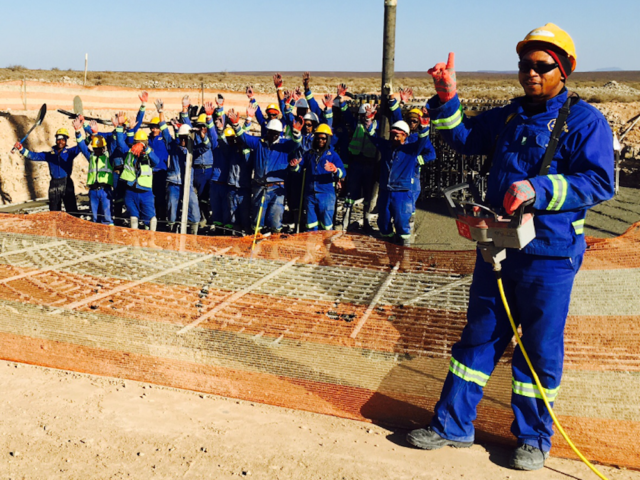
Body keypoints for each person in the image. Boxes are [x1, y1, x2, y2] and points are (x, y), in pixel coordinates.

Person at [406, 24, 615, 471]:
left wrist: (538, 188)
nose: (531, 73)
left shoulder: (585, 122)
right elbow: (461, 138)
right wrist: (447, 98)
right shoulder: (508, 117)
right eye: (525, 65)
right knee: (478, 338)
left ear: (564, 71)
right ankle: (452, 426)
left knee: (539, 350)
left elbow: (600, 181)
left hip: (550, 257)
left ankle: (534, 438)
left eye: (542, 66)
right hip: (498, 250)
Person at [362, 107, 431, 245]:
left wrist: (424, 126)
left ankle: (404, 252)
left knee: (401, 222)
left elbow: (424, 142)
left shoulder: (411, 150)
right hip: (386, 191)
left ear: (405, 136)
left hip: (402, 193)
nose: (394, 137)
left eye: (397, 135)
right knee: (383, 221)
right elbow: (372, 137)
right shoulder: (386, 146)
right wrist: (368, 121)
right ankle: (388, 245)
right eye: (392, 134)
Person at [227, 107, 303, 234]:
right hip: (259, 187)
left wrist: (296, 132)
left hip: (277, 188)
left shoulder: (284, 145)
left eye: (275, 133)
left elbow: (297, 143)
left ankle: (273, 246)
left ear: (279, 133)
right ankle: (257, 244)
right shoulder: (259, 143)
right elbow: (244, 138)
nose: (272, 135)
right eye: (270, 132)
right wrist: (235, 124)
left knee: (275, 219)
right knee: (258, 219)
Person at [14, 126, 82, 215]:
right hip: (54, 185)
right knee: (54, 211)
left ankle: (75, 227)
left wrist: (85, 133)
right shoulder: (49, 155)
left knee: (72, 209)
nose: (60, 141)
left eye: (63, 139)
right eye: (58, 139)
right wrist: (21, 149)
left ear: (66, 140)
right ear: (55, 140)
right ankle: (55, 228)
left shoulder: (70, 152)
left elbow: (82, 146)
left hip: (67, 183)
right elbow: (34, 156)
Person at [289, 124, 345, 231]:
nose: (320, 141)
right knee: (311, 225)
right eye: (318, 138)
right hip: (310, 195)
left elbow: (343, 173)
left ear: (328, 139)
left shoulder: (333, 155)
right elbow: (300, 169)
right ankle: (312, 246)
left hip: (326, 196)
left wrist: (335, 170)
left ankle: (326, 246)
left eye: (323, 138)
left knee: (326, 226)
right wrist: (295, 166)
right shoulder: (310, 154)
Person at [73, 117, 120, 225]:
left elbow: (113, 142)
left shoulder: (109, 156)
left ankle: (109, 238)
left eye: (99, 148)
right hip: (93, 191)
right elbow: (82, 146)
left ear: (104, 148)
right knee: (95, 219)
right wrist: (77, 132)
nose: (97, 150)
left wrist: (117, 127)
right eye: (95, 148)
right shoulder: (91, 157)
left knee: (107, 217)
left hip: (105, 190)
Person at [118, 130, 160, 231]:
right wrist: (119, 127)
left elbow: (156, 161)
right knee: (133, 217)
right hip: (131, 191)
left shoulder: (150, 154)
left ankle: (151, 241)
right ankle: (135, 242)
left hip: (145, 192)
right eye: (137, 142)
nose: (139, 145)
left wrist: (145, 148)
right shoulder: (129, 153)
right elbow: (120, 142)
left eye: (142, 142)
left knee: (151, 218)